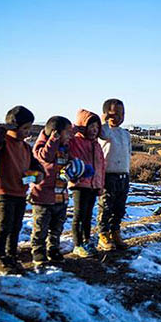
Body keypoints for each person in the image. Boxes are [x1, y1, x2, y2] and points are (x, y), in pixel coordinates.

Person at [0, 106, 43, 274]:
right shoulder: (4, 142)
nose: (27, 132)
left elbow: (36, 165)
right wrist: (1, 132)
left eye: (29, 128)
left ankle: (11, 256)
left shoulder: (25, 148)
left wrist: (38, 174)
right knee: (4, 226)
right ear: (13, 127)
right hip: (3, 191)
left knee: (16, 226)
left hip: (20, 192)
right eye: (25, 128)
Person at [30, 116, 74, 266]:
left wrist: (77, 167)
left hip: (61, 195)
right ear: (55, 133)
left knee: (57, 227)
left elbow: (70, 163)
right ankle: (38, 250)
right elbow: (45, 157)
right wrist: (53, 141)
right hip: (43, 197)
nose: (70, 136)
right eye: (67, 133)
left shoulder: (65, 148)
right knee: (41, 227)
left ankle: (53, 248)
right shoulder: (41, 146)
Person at [68, 109, 105, 257]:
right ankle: (77, 244)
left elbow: (101, 166)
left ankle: (87, 240)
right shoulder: (75, 141)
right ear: (83, 127)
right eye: (91, 127)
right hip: (79, 184)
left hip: (93, 186)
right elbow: (65, 137)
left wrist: (100, 185)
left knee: (88, 216)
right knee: (79, 215)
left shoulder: (96, 145)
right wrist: (75, 128)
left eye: (97, 127)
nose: (94, 130)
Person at [97, 99, 132, 251]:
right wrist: (103, 119)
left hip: (124, 175)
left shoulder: (125, 134)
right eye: (115, 113)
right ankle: (103, 234)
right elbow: (102, 132)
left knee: (119, 207)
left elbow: (128, 153)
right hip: (108, 175)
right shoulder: (105, 131)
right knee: (106, 206)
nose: (119, 117)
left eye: (122, 114)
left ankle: (115, 231)